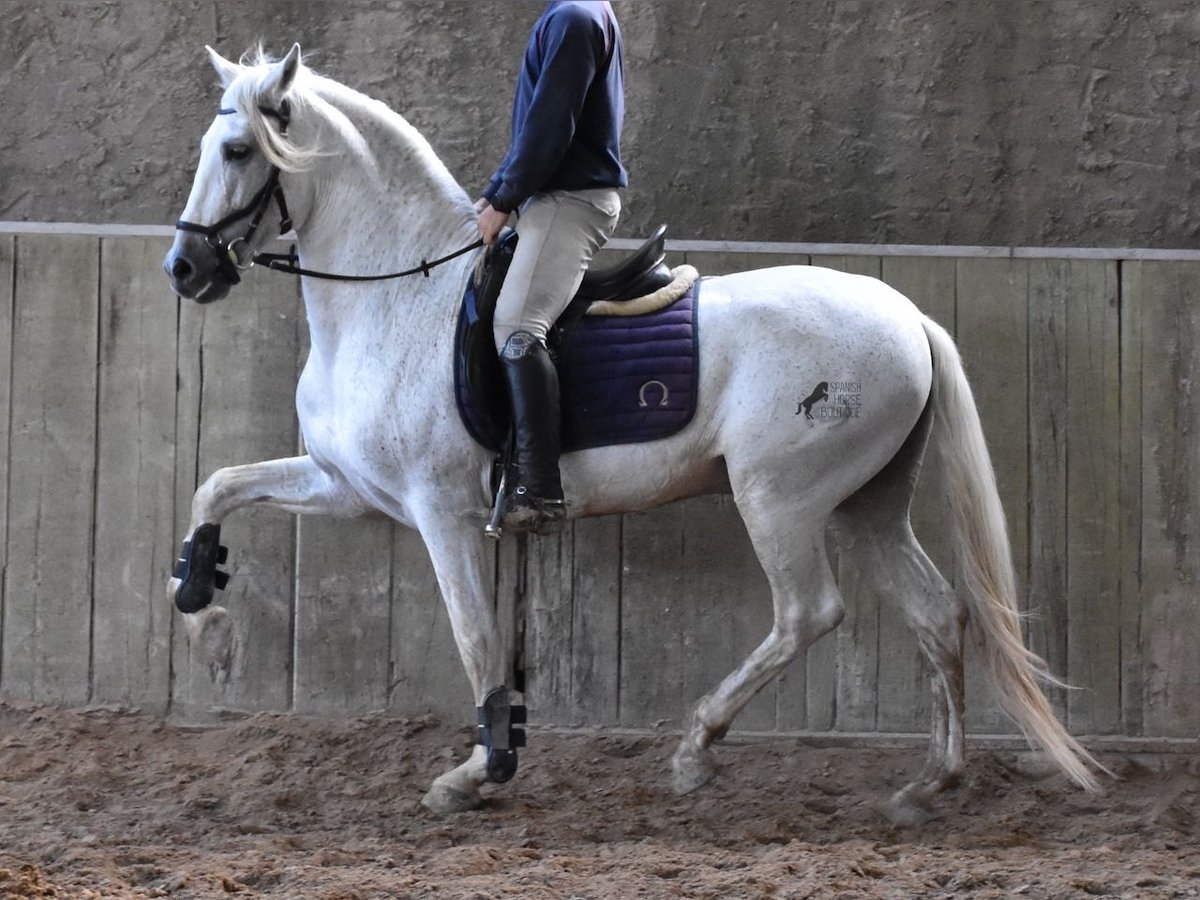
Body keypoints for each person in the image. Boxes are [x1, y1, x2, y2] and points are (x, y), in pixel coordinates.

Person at [476, 0, 627, 532]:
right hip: (552, 198)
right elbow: (534, 130)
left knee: (517, 326)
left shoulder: (575, 18)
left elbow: (549, 128)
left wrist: (503, 198)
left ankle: (537, 489)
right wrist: (498, 191)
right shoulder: (576, 14)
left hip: (569, 201)